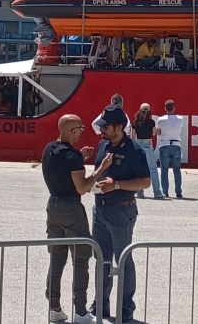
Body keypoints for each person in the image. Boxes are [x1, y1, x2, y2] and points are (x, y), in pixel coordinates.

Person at [42, 114, 113, 324]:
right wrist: (101, 168)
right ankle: (81, 311)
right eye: (80, 128)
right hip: (71, 208)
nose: (82, 131)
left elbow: (61, 168)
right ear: (73, 131)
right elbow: (82, 187)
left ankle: (54, 307)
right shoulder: (72, 157)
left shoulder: (49, 149)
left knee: (56, 259)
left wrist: (79, 157)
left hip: (53, 205)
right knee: (81, 259)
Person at [90, 104, 151, 323]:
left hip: (121, 209)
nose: (102, 130)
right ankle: (100, 305)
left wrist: (116, 185)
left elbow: (145, 181)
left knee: (123, 259)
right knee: (101, 258)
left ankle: (125, 309)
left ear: (118, 127)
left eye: (106, 127)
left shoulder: (134, 151)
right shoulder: (101, 145)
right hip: (99, 209)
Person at [131, 103, 163, 199]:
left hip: (138, 146)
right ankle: (157, 192)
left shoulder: (135, 122)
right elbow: (153, 133)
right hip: (147, 145)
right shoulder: (151, 122)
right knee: (153, 170)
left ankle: (140, 193)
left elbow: (132, 137)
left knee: (139, 170)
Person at [156, 100, 184, 198]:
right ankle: (178, 191)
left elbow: (158, 133)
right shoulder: (180, 119)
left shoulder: (160, 119)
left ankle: (165, 191)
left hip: (164, 145)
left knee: (164, 170)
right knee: (177, 169)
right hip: (176, 144)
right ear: (174, 107)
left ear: (165, 108)